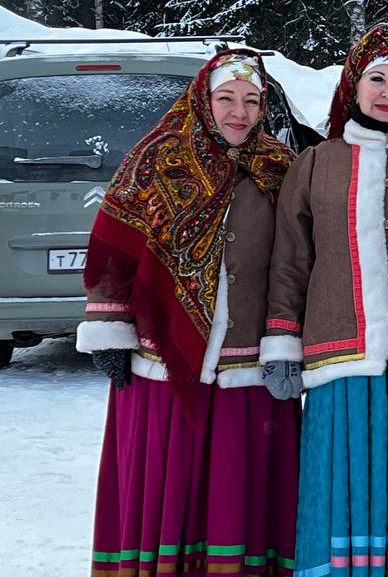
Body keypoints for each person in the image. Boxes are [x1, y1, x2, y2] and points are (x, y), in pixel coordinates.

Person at [77, 50, 299, 576]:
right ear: (204, 98)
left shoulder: (279, 168)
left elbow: (300, 257)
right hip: (163, 360)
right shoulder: (158, 157)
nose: (239, 112)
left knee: (240, 488)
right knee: (169, 482)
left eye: (251, 101)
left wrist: (290, 338)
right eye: (226, 99)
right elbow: (114, 246)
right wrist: (110, 326)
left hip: (249, 365)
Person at [262, 24, 388, 576]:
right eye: (377, 79)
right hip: (338, 354)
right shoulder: (317, 162)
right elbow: (291, 259)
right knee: (344, 475)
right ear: (354, 86)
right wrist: (281, 339)